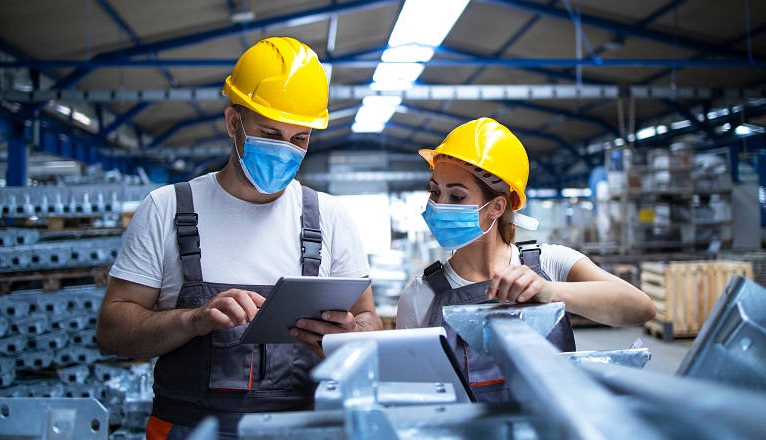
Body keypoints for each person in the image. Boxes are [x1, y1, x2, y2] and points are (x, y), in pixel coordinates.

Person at [96, 36, 382, 439]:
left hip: (305, 428)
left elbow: (369, 319)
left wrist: (349, 337)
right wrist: (194, 320)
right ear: (234, 123)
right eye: (269, 133)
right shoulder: (167, 208)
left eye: (299, 138)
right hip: (188, 428)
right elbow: (112, 332)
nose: (285, 150)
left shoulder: (330, 217)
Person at [396, 117, 655, 403]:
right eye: (434, 192)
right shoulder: (420, 295)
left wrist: (549, 291)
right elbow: (413, 397)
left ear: (496, 207)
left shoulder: (551, 264)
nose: (438, 206)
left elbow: (641, 308)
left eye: (456, 196)